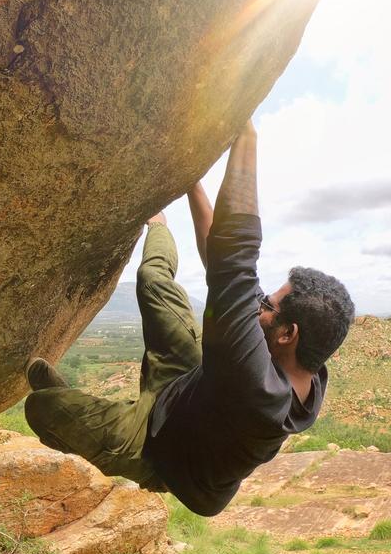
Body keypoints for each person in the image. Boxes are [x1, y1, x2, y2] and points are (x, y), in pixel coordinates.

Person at [24, 121, 354, 516]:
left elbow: (234, 261)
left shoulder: (259, 394)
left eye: (268, 305)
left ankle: (66, 404)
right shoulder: (306, 363)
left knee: (42, 409)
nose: (259, 304)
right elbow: (223, 268)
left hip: (161, 450)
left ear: (288, 334)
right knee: (152, 282)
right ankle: (158, 226)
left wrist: (245, 137)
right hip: (192, 384)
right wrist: (191, 182)